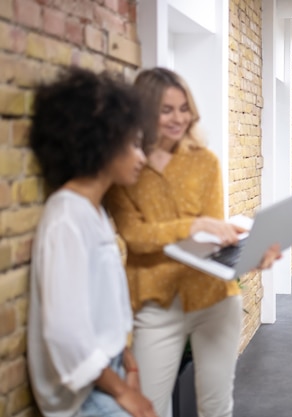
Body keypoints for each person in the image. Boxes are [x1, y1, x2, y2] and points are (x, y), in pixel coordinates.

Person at [106, 67, 280, 417]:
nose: (178, 118)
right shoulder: (125, 167)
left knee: (216, 408)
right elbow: (136, 237)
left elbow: (211, 241)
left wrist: (251, 253)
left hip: (214, 300)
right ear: (143, 111)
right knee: (150, 409)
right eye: (166, 109)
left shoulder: (205, 162)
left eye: (183, 108)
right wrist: (194, 224)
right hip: (156, 305)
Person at [27, 67, 157, 417]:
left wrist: (129, 364)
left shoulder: (94, 212)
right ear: (102, 142)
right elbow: (66, 333)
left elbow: (104, 304)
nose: (141, 157)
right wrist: (124, 395)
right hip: (86, 393)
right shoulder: (66, 218)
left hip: (110, 371)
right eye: (132, 144)